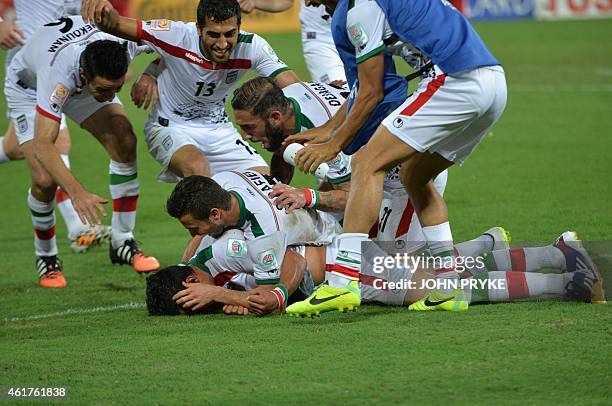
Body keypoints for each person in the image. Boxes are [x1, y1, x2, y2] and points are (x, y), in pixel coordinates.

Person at [289, 0, 507, 314]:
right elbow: (370, 87)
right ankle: (449, 284)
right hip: (494, 83)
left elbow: (372, 92)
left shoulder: (359, 10)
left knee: (366, 163)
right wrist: (330, 129)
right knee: (415, 177)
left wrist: (333, 145)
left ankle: (342, 281)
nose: (310, 2)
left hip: (454, 81)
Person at [4, 16, 160, 287]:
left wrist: (150, 73)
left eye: (117, 88)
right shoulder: (59, 75)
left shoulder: (124, 44)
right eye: (105, 89)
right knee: (44, 179)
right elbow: (43, 144)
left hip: (83, 88)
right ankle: (47, 257)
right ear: (86, 75)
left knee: (123, 138)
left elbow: (183, 39)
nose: (112, 97)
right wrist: (77, 193)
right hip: (28, 89)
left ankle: (123, 240)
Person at [146, 229, 605, 316]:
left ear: (190, 283)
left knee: (450, 284)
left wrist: (225, 298)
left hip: (348, 269)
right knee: (452, 267)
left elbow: (289, 263)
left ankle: (568, 279)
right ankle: (558, 254)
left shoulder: (222, 259)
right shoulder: (218, 270)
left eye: (191, 302)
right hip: (352, 262)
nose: (197, 308)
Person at [82, 0, 301, 182]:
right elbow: (117, 25)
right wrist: (103, 9)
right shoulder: (177, 35)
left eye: (229, 34)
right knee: (198, 171)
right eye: (213, 35)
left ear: (239, 26)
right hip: (170, 125)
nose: (223, 44)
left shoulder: (253, 47)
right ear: (198, 28)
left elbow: (295, 87)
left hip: (219, 129)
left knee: (266, 187)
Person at [0, 1, 112, 254]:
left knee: (16, 147)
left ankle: (77, 228)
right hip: (32, 66)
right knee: (51, 150)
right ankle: (77, 228)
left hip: (70, 62)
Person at [165, 171, 342, 292]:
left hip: (325, 237)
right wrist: (183, 270)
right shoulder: (220, 182)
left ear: (215, 214)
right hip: (294, 218)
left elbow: (267, 293)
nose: (193, 234)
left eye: (194, 228)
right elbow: (200, 236)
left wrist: (223, 297)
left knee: (236, 255)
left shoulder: (263, 233)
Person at [146, 228, 311, 316]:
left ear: (192, 282)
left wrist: (222, 295)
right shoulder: (194, 269)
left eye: (193, 305)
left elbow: (295, 259)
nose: (200, 310)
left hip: (325, 265)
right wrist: (242, 302)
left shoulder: (230, 250)